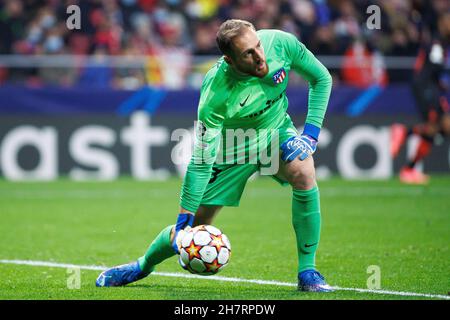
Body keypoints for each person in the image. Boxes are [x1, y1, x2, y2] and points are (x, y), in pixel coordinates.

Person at [95, 19, 333, 292]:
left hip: (276, 131)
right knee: (193, 229)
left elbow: (321, 78)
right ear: (229, 60)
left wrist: (310, 135)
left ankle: (308, 272)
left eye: (257, 46)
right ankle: (142, 265)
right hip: (233, 148)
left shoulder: (281, 43)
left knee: (303, 172)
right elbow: (201, 160)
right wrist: (184, 221)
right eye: (248, 53)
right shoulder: (216, 93)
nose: (259, 57)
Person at [391, 12, 450, 184]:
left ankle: (409, 169)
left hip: (430, 87)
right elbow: (433, 67)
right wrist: (441, 81)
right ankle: (403, 131)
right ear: (442, 23)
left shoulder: (441, 43)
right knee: (436, 127)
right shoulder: (437, 43)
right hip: (426, 88)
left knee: (439, 130)